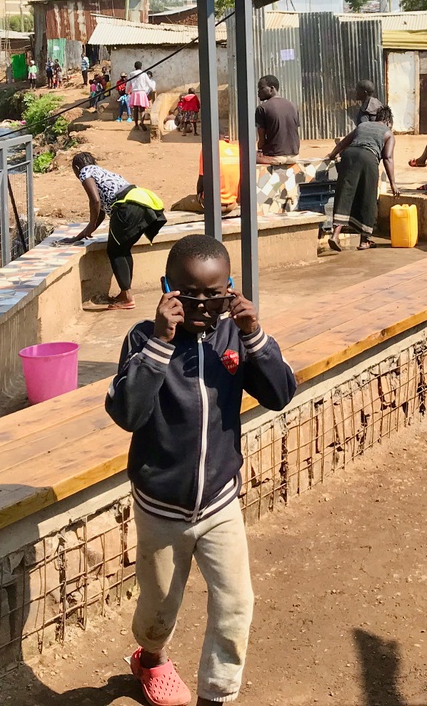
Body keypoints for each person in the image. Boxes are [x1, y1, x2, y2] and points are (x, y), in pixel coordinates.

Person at [108, 234, 297, 706]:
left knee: (236, 604)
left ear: (230, 290)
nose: (201, 306)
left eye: (215, 295)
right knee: (158, 609)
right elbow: (127, 414)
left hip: (219, 503)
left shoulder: (234, 336)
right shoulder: (143, 340)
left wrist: (255, 335)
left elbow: (280, 395)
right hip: (161, 506)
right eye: (188, 295)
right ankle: (150, 658)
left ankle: (219, 691)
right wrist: (160, 343)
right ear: (167, 288)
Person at [63, 153, 167, 310]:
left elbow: (95, 201)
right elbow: (102, 210)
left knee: (115, 251)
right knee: (123, 249)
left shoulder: (85, 171)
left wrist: (90, 226)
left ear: (76, 168)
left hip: (127, 208)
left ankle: (126, 297)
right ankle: (125, 293)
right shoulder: (103, 172)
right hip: (144, 203)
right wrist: (85, 232)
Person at [325, 105, 398, 251]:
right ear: (389, 122)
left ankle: (335, 235)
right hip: (368, 158)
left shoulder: (362, 125)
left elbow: (342, 143)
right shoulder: (388, 133)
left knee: (344, 194)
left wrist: (331, 156)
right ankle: (364, 241)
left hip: (349, 156)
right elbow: (387, 157)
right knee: (368, 198)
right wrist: (393, 183)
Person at [254, 75, 300, 163]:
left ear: (271, 88)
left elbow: (262, 139)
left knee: (246, 159)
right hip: (294, 156)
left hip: (275, 157)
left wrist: (260, 152)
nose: (258, 92)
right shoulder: (293, 106)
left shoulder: (262, 108)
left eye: (261, 88)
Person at [125, 62, 155, 130]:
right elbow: (149, 83)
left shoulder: (131, 74)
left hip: (134, 92)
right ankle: (142, 122)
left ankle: (136, 124)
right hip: (142, 92)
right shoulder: (144, 74)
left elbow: (128, 83)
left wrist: (127, 91)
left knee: (135, 109)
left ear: (134, 66)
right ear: (141, 66)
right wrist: (153, 88)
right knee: (142, 109)